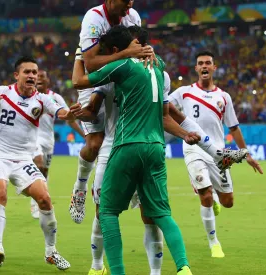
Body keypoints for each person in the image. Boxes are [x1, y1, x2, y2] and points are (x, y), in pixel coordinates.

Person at [71, 25, 194, 275]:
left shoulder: (121, 65)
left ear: (116, 50)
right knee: (161, 214)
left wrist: (79, 55)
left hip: (127, 144)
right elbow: (164, 114)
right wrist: (185, 134)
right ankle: (183, 267)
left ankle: (115, 271)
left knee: (106, 211)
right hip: (156, 147)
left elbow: (78, 81)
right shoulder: (158, 65)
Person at [168, 51, 263, 258]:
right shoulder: (183, 92)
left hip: (218, 154)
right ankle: (214, 242)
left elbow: (234, 128)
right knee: (206, 195)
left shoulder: (224, 97)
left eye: (208, 63)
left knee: (228, 202)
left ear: (213, 67)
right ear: (196, 68)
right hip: (193, 148)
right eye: (200, 63)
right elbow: (162, 105)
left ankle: (211, 194)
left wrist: (246, 154)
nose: (204, 66)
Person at [0, 56, 75, 270]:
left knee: (44, 199)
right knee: (0, 191)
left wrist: (72, 112)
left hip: (23, 159)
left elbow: (61, 113)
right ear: (17, 75)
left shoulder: (43, 100)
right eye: (27, 72)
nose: (32, 76)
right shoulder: (2, 92)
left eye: (35, 72)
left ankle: (51, 252)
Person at [70, 0, 152, 224]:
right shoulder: (94, 18)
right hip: (94, 79)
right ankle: (80, 185)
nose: (129, 6)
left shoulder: (132, 15)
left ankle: (131, 182)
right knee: (96, 143)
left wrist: (147, 51)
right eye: (125, 2)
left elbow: (139, 46)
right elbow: (92, 63)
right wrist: (126, 53)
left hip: (122, 75)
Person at [29, 69, 85, 219]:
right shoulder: (28, 96)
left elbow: (69, 118)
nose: (39, 78)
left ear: (48, 80)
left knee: (44, 172)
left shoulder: (55, 98)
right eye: (37, 77)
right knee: (39, 164)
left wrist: (84, 135)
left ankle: (40, 198)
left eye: (42, 76)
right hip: (34, 138)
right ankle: (34, 203)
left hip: (48, 140)